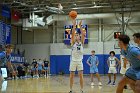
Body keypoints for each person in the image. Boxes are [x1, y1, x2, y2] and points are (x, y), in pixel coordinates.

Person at [69, 19, 85, 93]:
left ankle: (82, 90)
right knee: (71, 76)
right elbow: (72, 33)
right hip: (73, 61)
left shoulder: (81, 42)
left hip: (79, 61)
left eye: (77, 35)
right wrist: (74, 25)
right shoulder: (72, 42)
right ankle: (71, 90)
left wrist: (80, 26)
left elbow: (83, 34)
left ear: (79, 36)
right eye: (75, 35)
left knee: (81, 76)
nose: (76, 36)